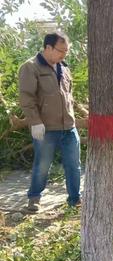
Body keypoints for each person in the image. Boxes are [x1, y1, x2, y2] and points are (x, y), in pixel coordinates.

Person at [18, 32, 81, 212]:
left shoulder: (64, 68)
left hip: (69, 127)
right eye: (61, 51)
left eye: (66, 51)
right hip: (46, 129)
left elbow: (68, 96)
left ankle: (75, 199)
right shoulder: (30, 68)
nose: (64, 55)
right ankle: (34, 198)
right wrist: (35, 122)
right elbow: (27, 98)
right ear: (48, 48)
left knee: (74, 165)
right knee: (42, 165)